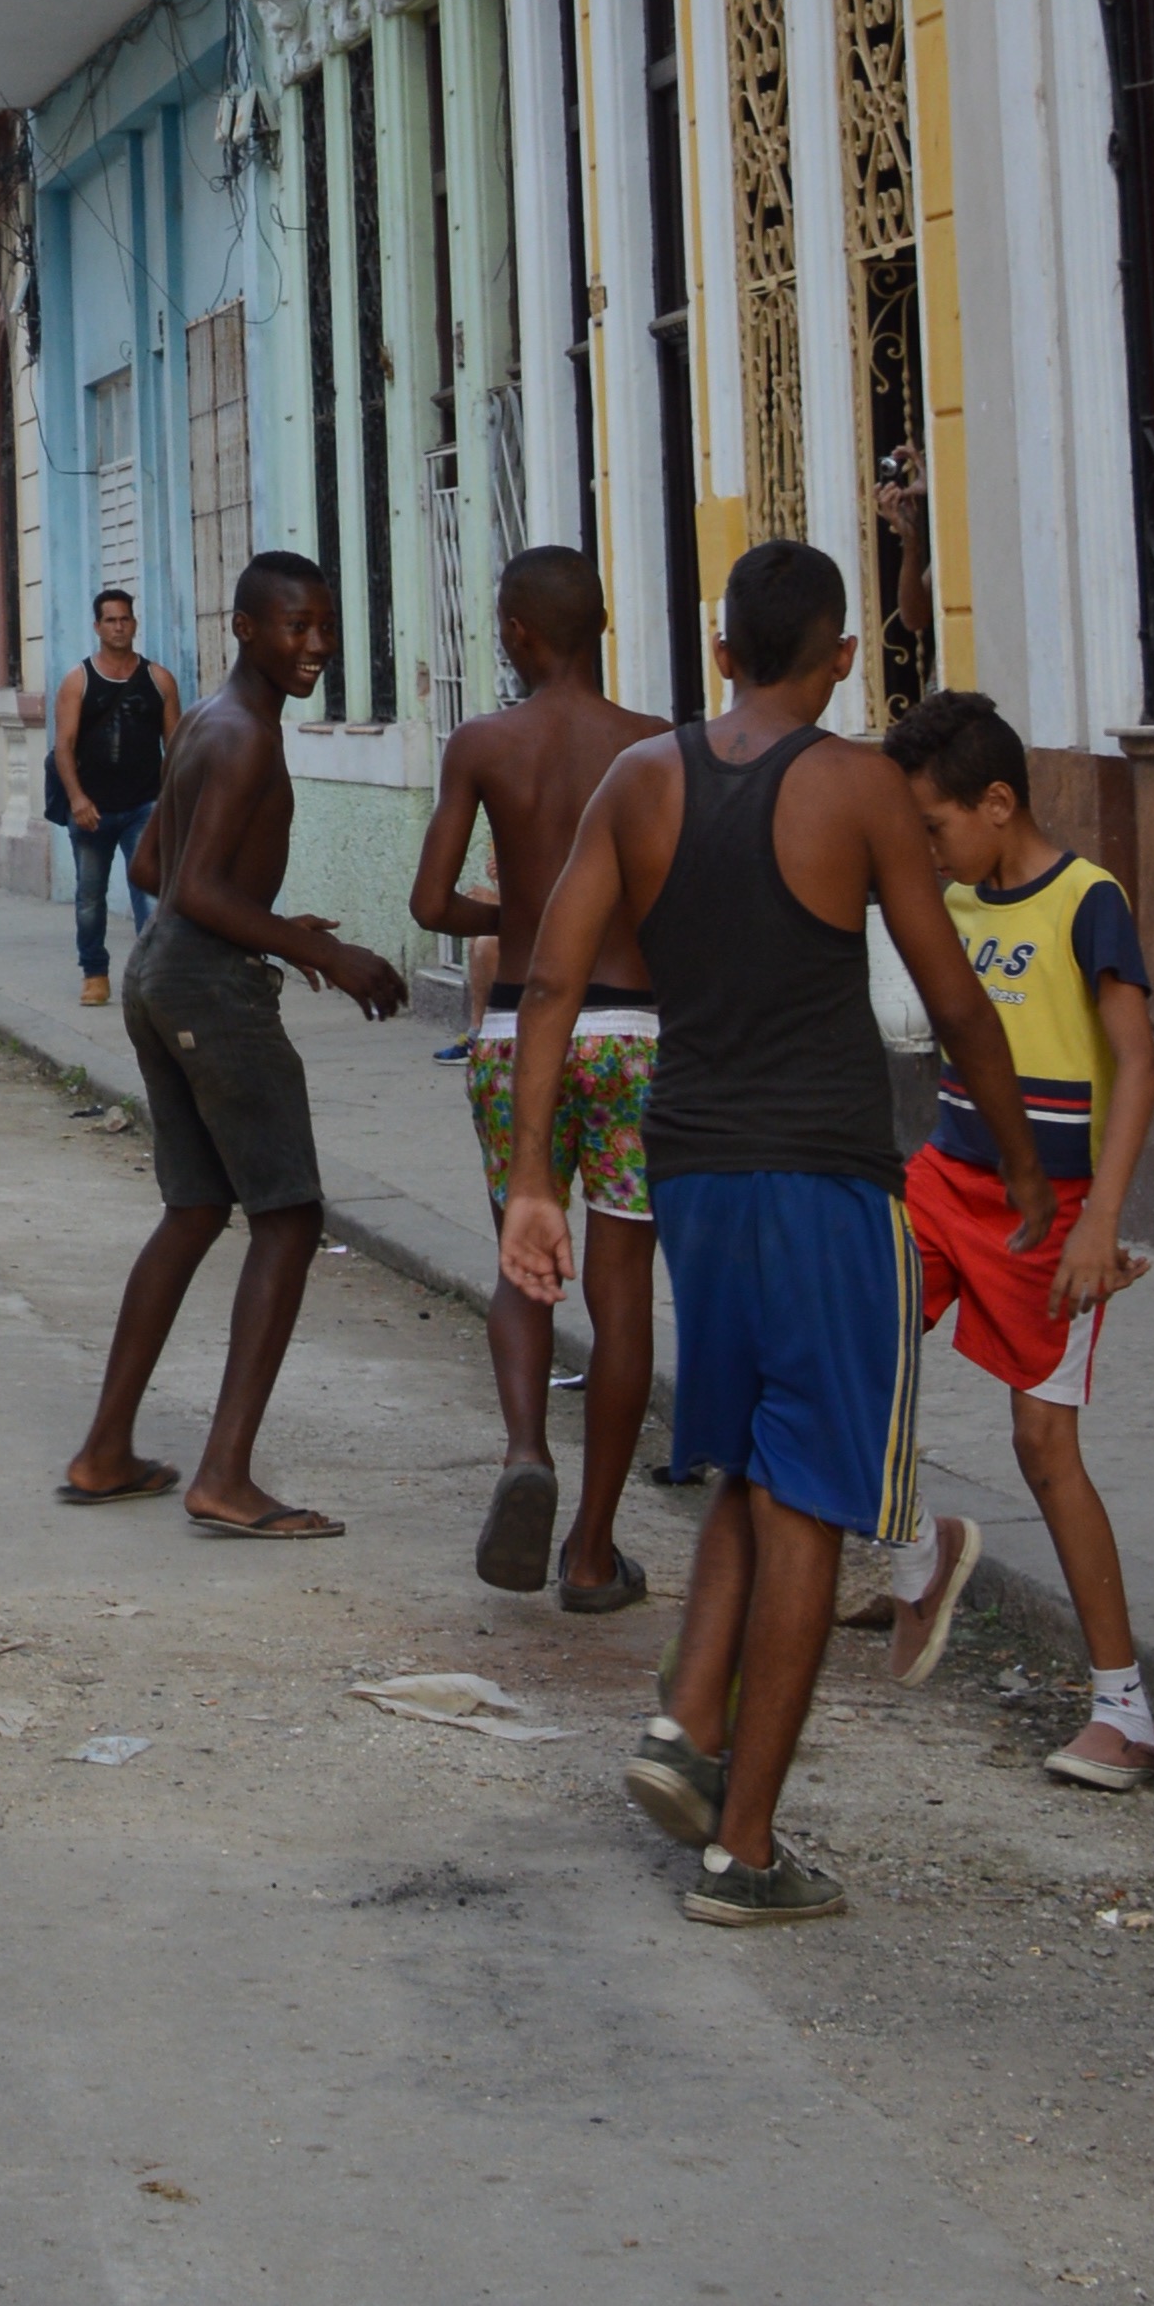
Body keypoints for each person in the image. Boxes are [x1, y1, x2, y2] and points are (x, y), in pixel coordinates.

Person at [504, 541, 1051, 1927]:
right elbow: (953, 999)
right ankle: (744, 1852)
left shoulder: (643, 780)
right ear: (844, 656)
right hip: (823, 1179)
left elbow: (551, 979)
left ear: (722, 649)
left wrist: (532, 1180)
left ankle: (689, 1728)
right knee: (806, 1494)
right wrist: (1022, 1164)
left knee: (752, 1459)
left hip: (690, 1175)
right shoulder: (857, 785)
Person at [56, 551, 406, 1541]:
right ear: (247, 629)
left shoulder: (209, 720)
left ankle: (105, 1451)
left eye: (325, 626)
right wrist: (324, 955)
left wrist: (271, 922)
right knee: (287, 1218)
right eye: (296, 626)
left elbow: (155, 865)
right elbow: (197, 886)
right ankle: (223, 1476)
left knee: (197, 1208)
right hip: (209, 987)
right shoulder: (245, 735)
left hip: (162, 975)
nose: (317, 645)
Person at [885, 690, 1154, 1790]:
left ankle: (1124, 1709)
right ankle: (915, 1551)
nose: (926, 849)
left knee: (1043, 1445)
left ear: (997, 803)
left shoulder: (1089, 900)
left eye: (935, 826)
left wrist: (1102, 1219)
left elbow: (1137, 1064)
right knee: (849, 1331)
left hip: (1050, 1212)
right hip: (944, 1178)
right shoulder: (952, 898)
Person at [409, 549, 665, 1612]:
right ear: (598, 624)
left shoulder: (483, 743)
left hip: (520, 1031)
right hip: (633, 1035)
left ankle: (526, 1451)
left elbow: (431, 903)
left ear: (515, 632)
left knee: (523, 1258)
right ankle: (594, 1552)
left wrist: (518, 915)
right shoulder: (655, 744)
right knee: (621, 1288)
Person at [51, 585, 172, 1010]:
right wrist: (77, 799)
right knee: (90, 896)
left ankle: (152, 977)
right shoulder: (78, 681)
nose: (118, 627)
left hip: (145, 806)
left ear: (134, 624)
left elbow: (175, 746)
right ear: (97, 626)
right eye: (110, 620)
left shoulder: (159, 680)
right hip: (92, 810)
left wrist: (170, 803)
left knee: (151, 895)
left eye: (125, 619)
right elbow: (63, 746)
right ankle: (94, 973)